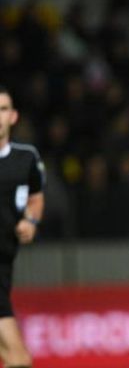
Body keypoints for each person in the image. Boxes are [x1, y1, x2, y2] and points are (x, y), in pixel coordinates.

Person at [0, 85, 46, 368]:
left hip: (4, 263)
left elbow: (36, 198)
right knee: (19, 358)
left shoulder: (26, 158)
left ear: (13, 117)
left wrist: (31, 220)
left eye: (2, 109)